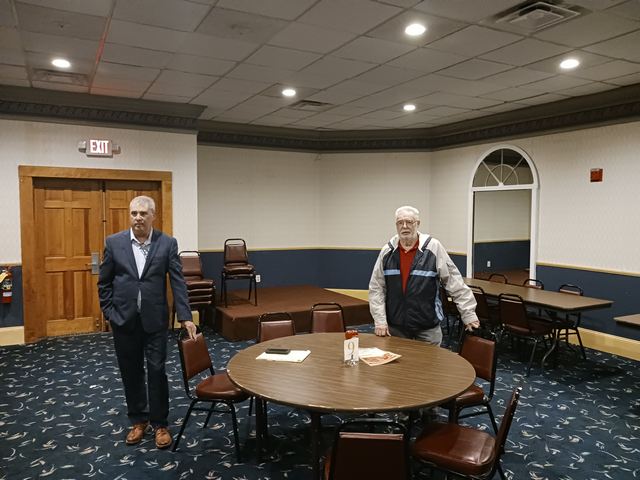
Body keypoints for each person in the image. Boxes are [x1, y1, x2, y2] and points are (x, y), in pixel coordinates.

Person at [98, 195, 196, 449]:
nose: (138, 218)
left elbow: (178, 282)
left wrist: (185, 317)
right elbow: (104, 282)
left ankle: (160, 423)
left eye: (143, 213)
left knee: (156, 371)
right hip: (124, 320)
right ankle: (138, 421)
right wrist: (109, 313)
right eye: (134, 213)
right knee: (130, 372)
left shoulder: (167, 243)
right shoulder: (114, 243)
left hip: (155, 321)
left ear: (153, 215)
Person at [369, 205, 479, 345]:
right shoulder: (387, 252)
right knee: (399, 360)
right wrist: (380, 321)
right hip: (396, 328)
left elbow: (454, 281)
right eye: (400, 222)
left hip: (427, 328)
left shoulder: (433, 247)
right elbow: (376, 288)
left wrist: (468, 314)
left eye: (409, 222)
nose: (404, 226)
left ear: (418, 224)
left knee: (431, 360)